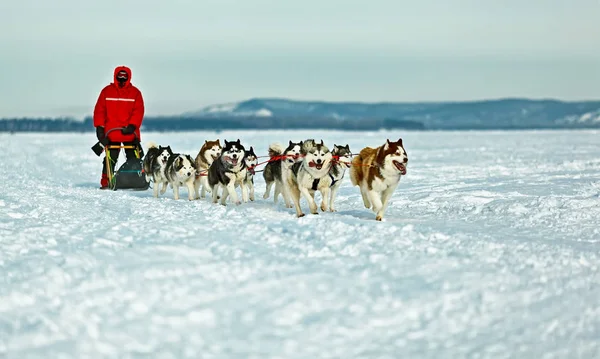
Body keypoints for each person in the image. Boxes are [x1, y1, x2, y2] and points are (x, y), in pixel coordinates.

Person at [93, 66, 145, 189]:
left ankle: (135, 180)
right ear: (115, 76)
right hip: (112, 133)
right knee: (110, 158)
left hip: (129, 132)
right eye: (119, 76)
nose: (122, 78)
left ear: (128, 77)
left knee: (133, 158)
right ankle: (106, 181)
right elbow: (99, 110)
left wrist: (132, 125)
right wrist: (100, 128)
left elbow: (138, 111)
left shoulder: (135, 93)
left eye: (124, 76)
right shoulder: (106, 91)